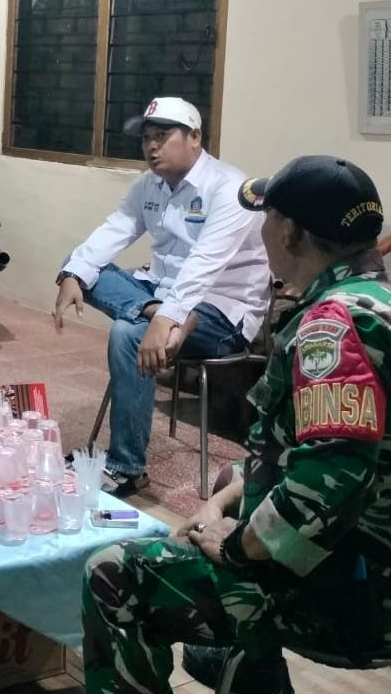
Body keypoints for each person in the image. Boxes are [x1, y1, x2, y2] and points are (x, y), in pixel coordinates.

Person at [19, 156, 391, 694]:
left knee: (113, 575)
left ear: (292, 233)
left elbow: (322, 493)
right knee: (228, 490)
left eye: (269, 219)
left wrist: (235, 545)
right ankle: (260, 675)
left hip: (357, 598)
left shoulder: (332, 328)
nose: (261, 233)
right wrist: (225, 500)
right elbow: (311, 455)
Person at [51, 97, 270, 496]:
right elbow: (116, 228)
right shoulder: (148, 185)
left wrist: (169, 317)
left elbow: (204, 265)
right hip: (160, 293)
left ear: (195, 137)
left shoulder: (230, 189)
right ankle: (146, 310)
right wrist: (73, 274)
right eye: (146, 138)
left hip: (220, 312)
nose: (151, 147)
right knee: (79, 263)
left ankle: (126, 468)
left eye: (162, 136)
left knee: (127, 333)